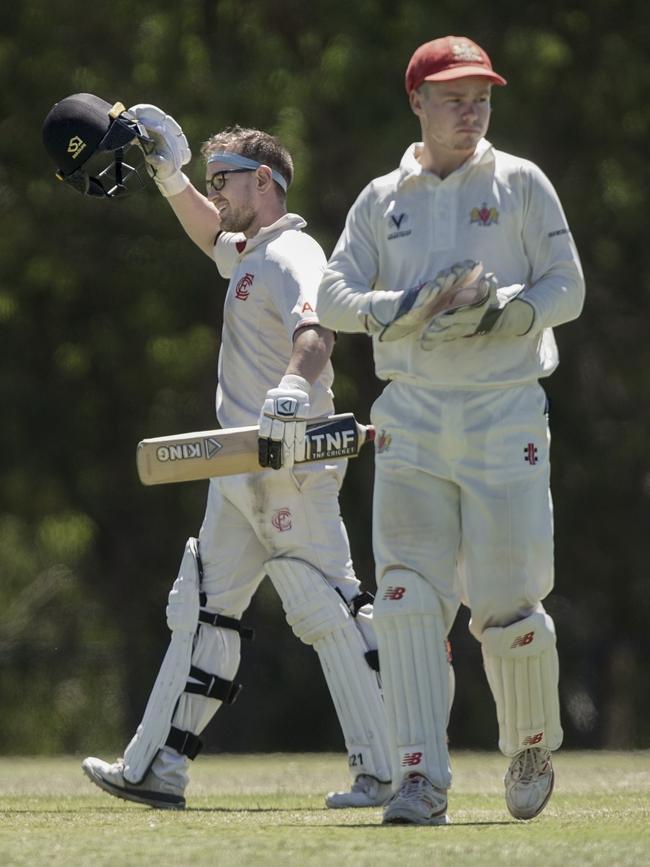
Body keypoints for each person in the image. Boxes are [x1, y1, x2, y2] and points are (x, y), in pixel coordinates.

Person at [67, 104, 392, 808]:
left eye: (225, 179)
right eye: (210, 179)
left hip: (288, 461)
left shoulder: (295, 253)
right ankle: (156, 766)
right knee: (203, 610)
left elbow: (317, 334)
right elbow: (212, 233)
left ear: (267, 182)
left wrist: (287, 393)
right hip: (237, 468)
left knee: (325, 606)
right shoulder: (248, 253)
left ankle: (387, 769)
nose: (215, 192)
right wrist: (168, 174)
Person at [316, 35, 585, 825]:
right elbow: (333, 296)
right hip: (413, 417)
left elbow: (567, 283)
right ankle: (418, 778)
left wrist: (506, 310)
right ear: (417, 103)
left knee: (509, 605)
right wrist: (396, 309)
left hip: (505, 413)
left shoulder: (520, 183)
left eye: (482, 97)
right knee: (402, 598)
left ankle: (530, 742)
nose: (472, 111)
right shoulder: (381, 199)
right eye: (454, 97)